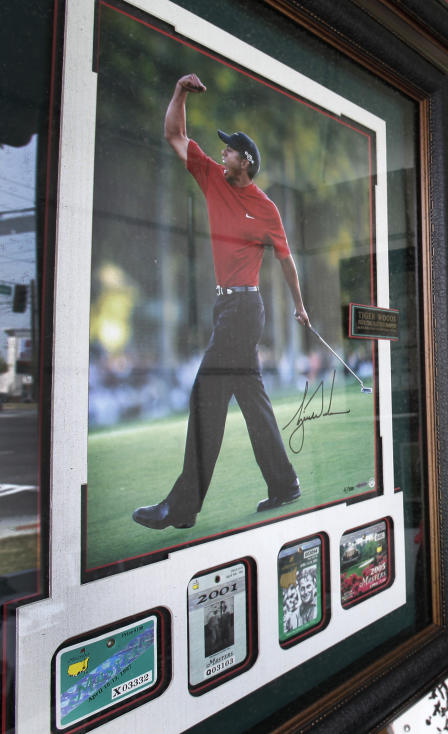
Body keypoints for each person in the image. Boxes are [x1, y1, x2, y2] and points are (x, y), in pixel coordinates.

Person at [133, 73, 310, 530]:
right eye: (224, 148)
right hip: (225, 309)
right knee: (252, 399)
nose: (223, 152)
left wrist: (299, 304)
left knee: (205, 395)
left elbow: (287, 261)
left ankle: (182, 506)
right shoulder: (211, 176)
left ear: (245, 161)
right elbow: (175, 134)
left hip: (245, 311)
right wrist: (177, 91)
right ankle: (285, 483)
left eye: (230, 148)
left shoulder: (266, 207)